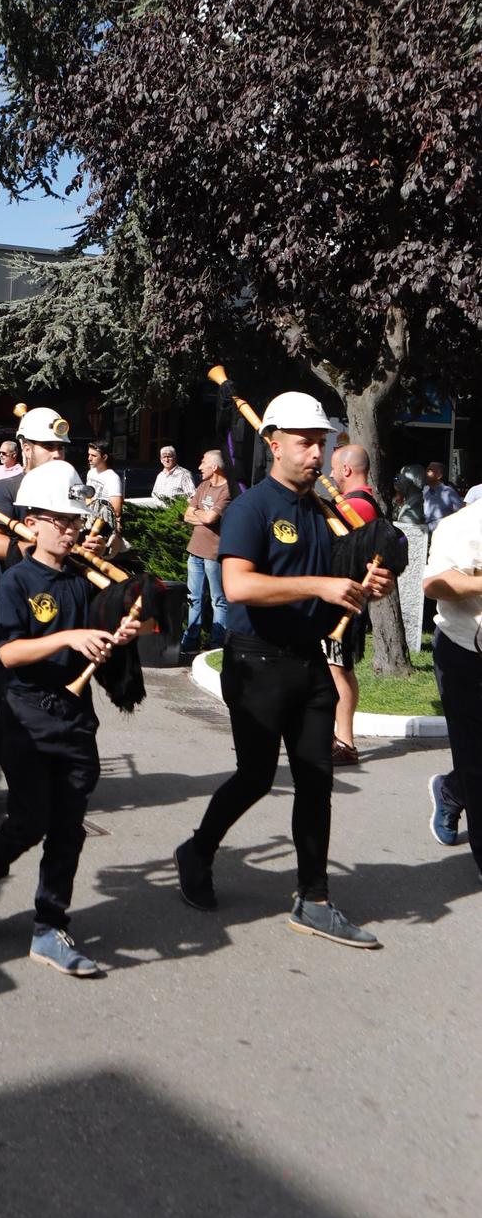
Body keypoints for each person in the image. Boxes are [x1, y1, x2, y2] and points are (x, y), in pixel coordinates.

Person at [172, 392, 393, 948]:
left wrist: (363, 590)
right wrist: (318, 585)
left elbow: (335, 584)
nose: (317, 454)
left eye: (322, 443)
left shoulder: (323, 513)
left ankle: (313, 898)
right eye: (305, 443)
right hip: (256, 660)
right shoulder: (251, 508)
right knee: (254, 777)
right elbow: (239, 585)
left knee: (316, 781)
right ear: (274, 444)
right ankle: (197, 851)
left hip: (310, 662)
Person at [0, 459, 140, 977]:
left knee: (68, 826)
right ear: (32, 521)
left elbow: (128, 614)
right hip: (26, 715)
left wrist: (122, 631)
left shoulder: (85, 581)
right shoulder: (16, 582)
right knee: (30, 819)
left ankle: (49, 925)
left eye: (74, 519)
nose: (69, 528)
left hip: (76, 717)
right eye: (58, 519)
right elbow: (8, 655)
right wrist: (66, 638)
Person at [0, 406, 80, 803]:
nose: (56, 454)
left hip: (64, 603)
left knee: (63, 692)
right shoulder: (7, 491)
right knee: (6, 698)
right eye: (47, 446)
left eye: (61, 447)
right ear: (25, 447)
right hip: (15, 605)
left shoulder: (71, 486)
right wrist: (32, 546)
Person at [423, 492, 482, 877]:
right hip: (467, 654)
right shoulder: (460, 524)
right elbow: (433, 584)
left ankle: (450, 789)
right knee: (477, 761)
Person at [324, 445, 380, 763]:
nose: (331, 474)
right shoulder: (358, 504)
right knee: (336, 669)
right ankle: (337, 737)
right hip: (343, 599)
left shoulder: (356, 505)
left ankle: (345, 742)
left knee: (338, 671)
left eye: (334, 468)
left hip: (344, 603)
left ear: (346, 470)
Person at [181, 450, 232, 655]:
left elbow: (211, 518)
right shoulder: (203, 486)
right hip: (195, 551)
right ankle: (191, 640)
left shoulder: (228, 490)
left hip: (214, 553)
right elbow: (187, 515)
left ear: (215, 467)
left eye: (203, 463)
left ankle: (217, 645)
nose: (200, 467)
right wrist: (202, 515)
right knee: (194, 597)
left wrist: (199, 514)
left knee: (218, 600)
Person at [84, 442, 123, 545]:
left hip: (102, 527)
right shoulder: (91, 472)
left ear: (104, 457)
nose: (89, 458)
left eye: (93, 455)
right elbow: (88, 495)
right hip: (88, 521)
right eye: (89, 454)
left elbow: (116, 510)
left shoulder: (112, 478)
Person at [422, 461, 463, 533]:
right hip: (424, 532)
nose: (426, 473)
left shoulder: (449, 492)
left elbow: (460, 514)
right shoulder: (425, 491)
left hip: (442, 533)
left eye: (430, 470)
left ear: (439, 476)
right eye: (426, 470)